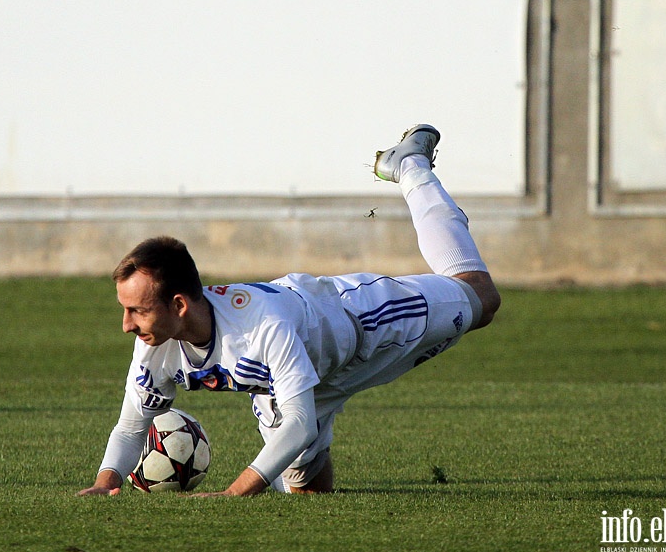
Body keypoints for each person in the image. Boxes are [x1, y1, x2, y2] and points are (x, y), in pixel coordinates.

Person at [77, 124, 500, 497]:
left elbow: (299, 425)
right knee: (307, 493)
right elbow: (132, 427)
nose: (126, 325)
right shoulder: (157, 342)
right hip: (294, 388)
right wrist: (105, 482)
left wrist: (235, 491)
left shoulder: (262, 323)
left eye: (136, 311)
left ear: (179, 305)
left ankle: (410, 167)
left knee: (482, 298)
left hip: (362, 325)